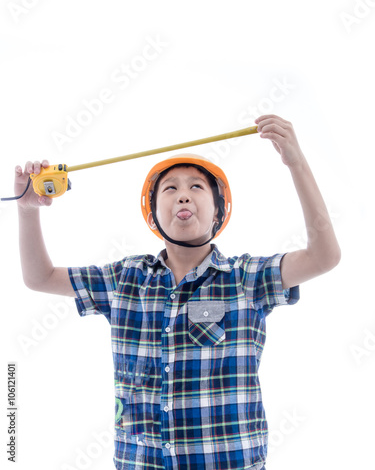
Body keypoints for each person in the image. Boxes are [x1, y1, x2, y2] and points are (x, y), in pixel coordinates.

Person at [15, 114, 341, 469]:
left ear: (219, 213)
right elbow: (40, 277)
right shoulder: (125, 279)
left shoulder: (246, 278)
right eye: (170, 189)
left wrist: (295, 162)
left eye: (196, 187)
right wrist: (26, 210)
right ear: (153, 215)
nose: (183, 195)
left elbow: (324, 256)